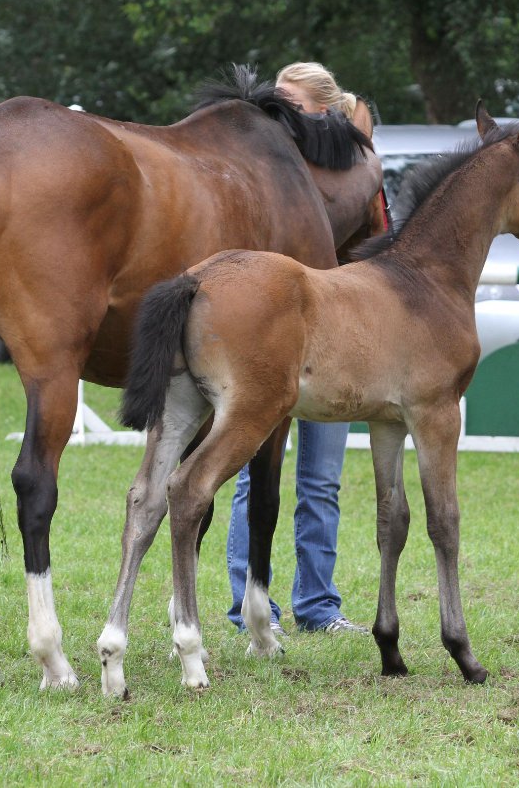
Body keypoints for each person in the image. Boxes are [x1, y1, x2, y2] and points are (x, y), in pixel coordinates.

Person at [225, 61, 377, 636]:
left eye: (289, 103)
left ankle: (317, 605)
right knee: (249, 470)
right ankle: (249, 604)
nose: (275, 111)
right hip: (271, 334)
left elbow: (374, 242)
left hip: (334, 336)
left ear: (322, 109)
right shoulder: (263, 165)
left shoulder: (352, 170)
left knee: (321, 480)